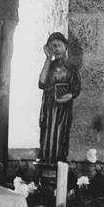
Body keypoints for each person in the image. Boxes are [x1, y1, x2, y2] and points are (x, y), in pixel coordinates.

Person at [38, 32, 81, 163]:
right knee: (47, 136)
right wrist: (47, 58)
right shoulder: (49, 66)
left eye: (58, 45)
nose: (56, 49)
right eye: (52, 46)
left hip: (63, 109)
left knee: (60, 136)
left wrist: (70, 95)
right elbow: (41, 83)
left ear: (65, 46)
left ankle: (59, 164)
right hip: (49, 107)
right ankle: (46, 162)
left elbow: (76, 88)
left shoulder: (71, 69)